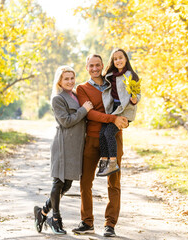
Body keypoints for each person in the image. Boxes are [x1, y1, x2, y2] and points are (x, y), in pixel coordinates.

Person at [72, 54, 137, 237]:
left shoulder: (113, 82)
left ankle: (110, 224)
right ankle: (87, 222)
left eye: (98, 65)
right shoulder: (82, 88)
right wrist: (113, 118)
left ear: (103, 66)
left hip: (114, 137)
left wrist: (126, 114)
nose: (94, 68)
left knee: (114, 183)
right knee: (86, 182)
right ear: (86, 67)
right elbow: (90, 114)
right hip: (92, 138)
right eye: (91, 65)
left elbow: (128, 100)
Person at [33, 65, 93, 235]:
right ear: (59, 80)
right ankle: (56, 219)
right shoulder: (57, 98)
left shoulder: (74, 95)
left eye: (72, 78)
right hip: (63, 144)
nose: (70, 81)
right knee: (58, 182)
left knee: (67, 183)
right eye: (66, 78)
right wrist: (84, 109)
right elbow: (66, 121)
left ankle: (43, 212)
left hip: (76, 145)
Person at [96, 48, 141, 177]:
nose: (118, 61)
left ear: (126, 59)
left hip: (125, 109)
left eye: (120, 58)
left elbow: (138, 93)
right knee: (102, 133)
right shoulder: (110, 75)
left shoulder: (131, 75)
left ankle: (113, 162)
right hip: (113, 109)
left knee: (109, 133)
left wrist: (134, 99)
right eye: (115, 59)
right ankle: (104, 160)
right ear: (113, 61)